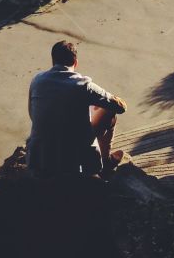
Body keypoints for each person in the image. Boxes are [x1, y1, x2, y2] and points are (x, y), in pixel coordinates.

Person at [26, 39, 127, 178]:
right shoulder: (83, 85)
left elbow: (32, 114)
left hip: (39, 156)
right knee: (110, 112)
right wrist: (98, 103)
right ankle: (105, 162)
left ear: (53, 61)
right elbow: (121, 107)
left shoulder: (37, 80)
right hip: (75, 158)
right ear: (76, 62)